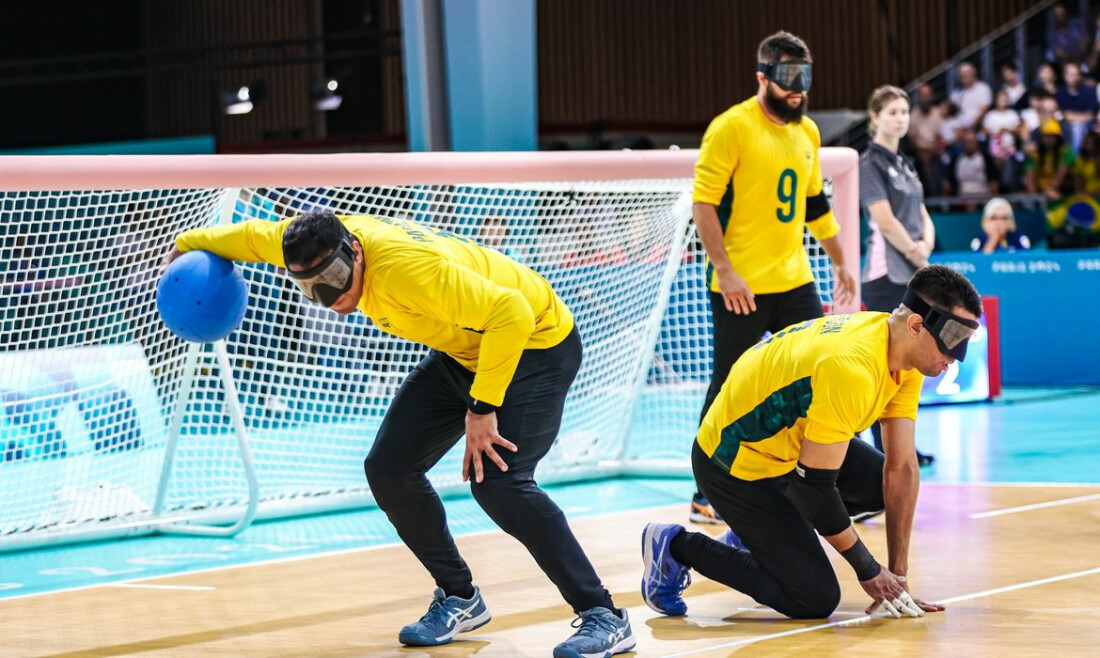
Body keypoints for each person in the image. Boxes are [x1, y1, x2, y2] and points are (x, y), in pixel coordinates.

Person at [161, 210, 635, 658]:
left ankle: (604, 615)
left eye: (334, 279)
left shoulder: (405, 272)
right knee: (389, 469)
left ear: (355, 250)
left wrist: (482, 408)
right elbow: (249, 238)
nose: (328, 296)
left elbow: (511, 313)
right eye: (310, 288)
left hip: (533, 345)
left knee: (500, 484)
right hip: (466, 349)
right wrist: (184, 245)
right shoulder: (310, 244)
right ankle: (459, 597)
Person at [642, 264, 981, 622]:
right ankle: (675, 546)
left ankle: (756, 536)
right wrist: (869, 569)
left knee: (880, 486)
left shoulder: (903, 355)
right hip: (732, 463)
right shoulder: (852, 367)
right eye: (952, 340)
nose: (955, 358)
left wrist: (898, 578)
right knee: (814, 597)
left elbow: (901, 468)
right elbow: (813, 490)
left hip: (789, 445)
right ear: (915, 325)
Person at [688, 30, 856, 525]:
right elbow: (704, 204)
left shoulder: (807, 133)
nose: (798, 88)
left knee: (823, 370)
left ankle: (822, 484)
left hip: (795, 280)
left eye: (804, 76)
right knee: (729, 385)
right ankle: (705, 493)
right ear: (762, 77)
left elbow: (814, 204)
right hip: (740, 286)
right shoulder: (731, 127)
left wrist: (840, 261)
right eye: (787, 77)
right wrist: (725, 271)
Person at [859, 86, 937, 466]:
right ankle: (882, 449)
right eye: (892, 112)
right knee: (886, 365)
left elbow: (923, 213)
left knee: (909, 367)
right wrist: (913, 251)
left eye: (904, 111)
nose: (900, 118)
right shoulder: (869, 163)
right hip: (885, 275)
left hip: (913, 272)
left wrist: (926, 246)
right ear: (874, 117)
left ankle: (904, 447)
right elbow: (885, 220)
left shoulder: (906, 163)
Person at [948, 62, 992, 130]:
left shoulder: (983, 88)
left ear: (973, 72)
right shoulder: (956, 93)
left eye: (967, 72)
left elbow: (984, 110)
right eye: (962, 74)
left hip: (977, 128)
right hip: (958, 130)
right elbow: (951, 112)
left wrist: (972, 127)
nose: (965, 75)